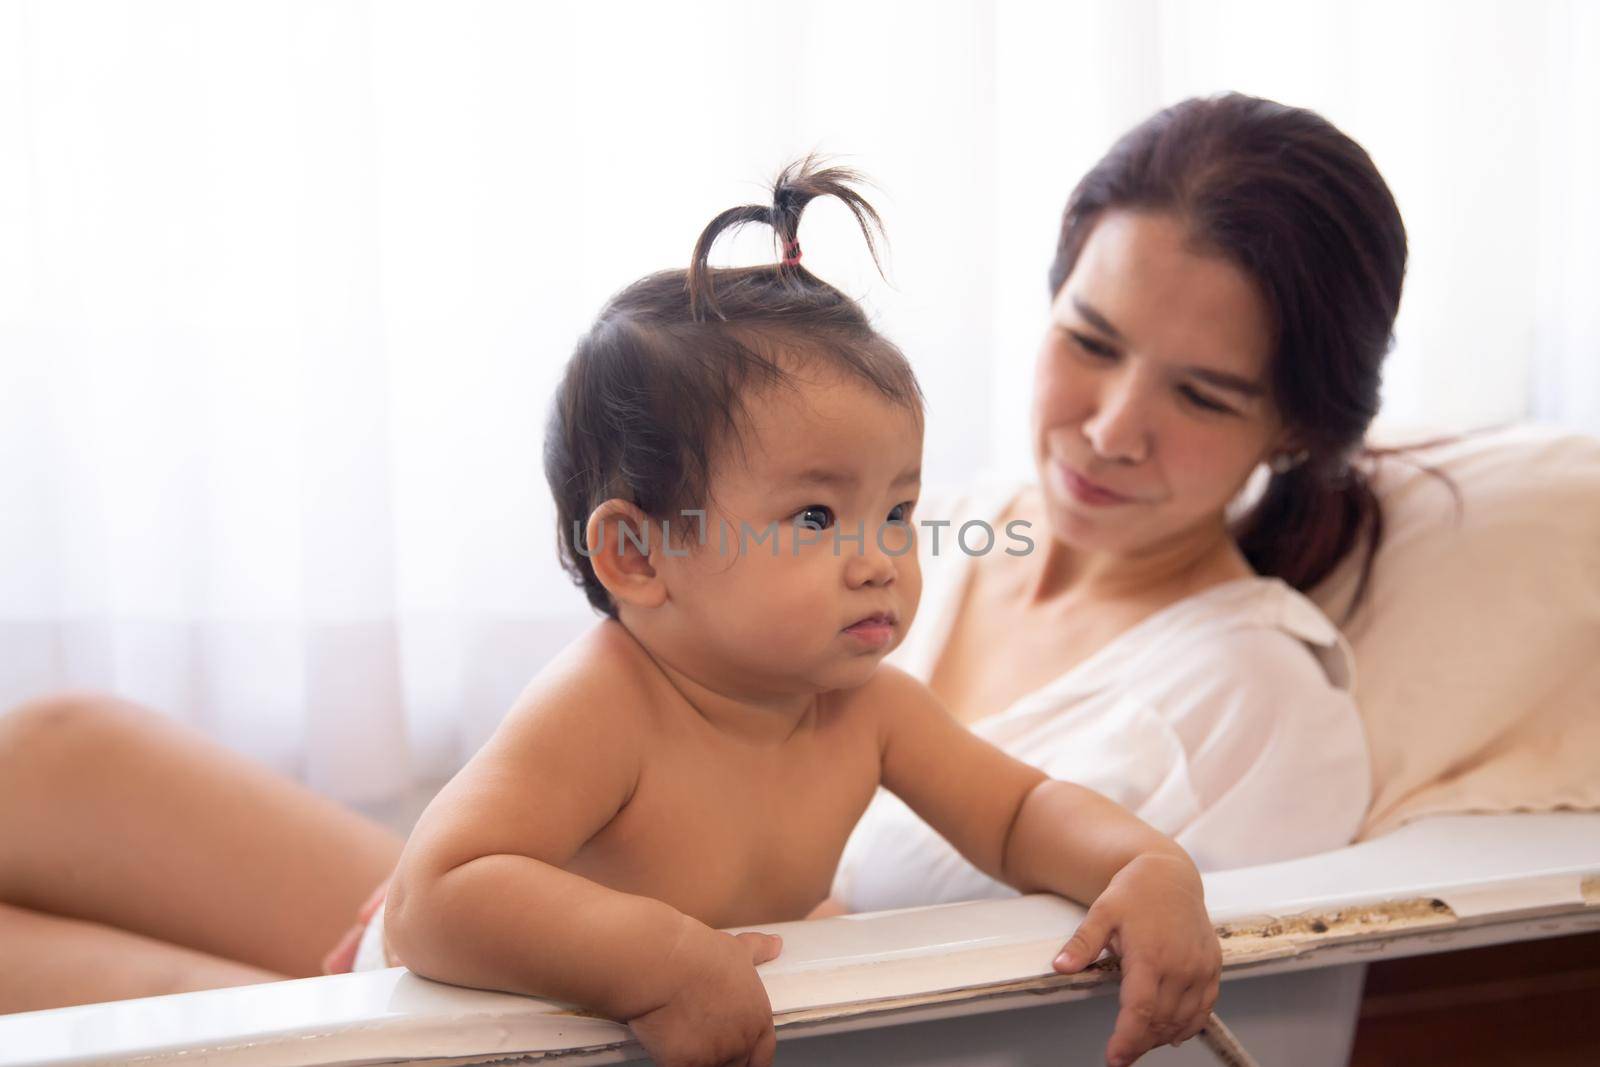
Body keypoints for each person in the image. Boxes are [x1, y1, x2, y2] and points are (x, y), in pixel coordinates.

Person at [0, 87, 1398, 1059]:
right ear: (637, 556)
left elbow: (1024, 810)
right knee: (55, 747)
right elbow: (435, 898)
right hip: (530, 986)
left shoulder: (902, 690)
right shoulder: (614, 690)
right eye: (1089, 340)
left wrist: (1149, 866)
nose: (880, 550)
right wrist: (653, 955)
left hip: (541, 1032)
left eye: (898, 510)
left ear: (1298, 425)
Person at [818, 91, 1399, 915]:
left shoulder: (1261, 712)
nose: (1111, 429)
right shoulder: (934, 531)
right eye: (1089, 342)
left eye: (1201, 396)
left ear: (1295, 429)